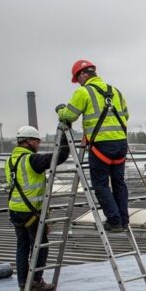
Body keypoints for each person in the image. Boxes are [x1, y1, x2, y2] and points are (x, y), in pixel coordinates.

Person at [56, 59, 130, 232]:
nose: (78, 82)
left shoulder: (84, 92)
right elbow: (126, 115)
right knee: (119, 182)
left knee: (101, 184)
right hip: (120, 145)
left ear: (83, 74)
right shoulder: (115, 91)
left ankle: (114, 220)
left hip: (101, 146)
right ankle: (123, 220)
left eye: (77, 78)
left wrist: (60, 109)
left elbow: (69, 115)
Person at [6, 125, 70, 291]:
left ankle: (23, 283)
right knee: (41, 247)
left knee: (22, 247)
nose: (39, 145)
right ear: (30, 141)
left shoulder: (10, 160)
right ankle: (35, 282)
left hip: (15, 210)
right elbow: (60, 157)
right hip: (29, 212)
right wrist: (65, 135)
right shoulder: (31, 160)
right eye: (37, 141)